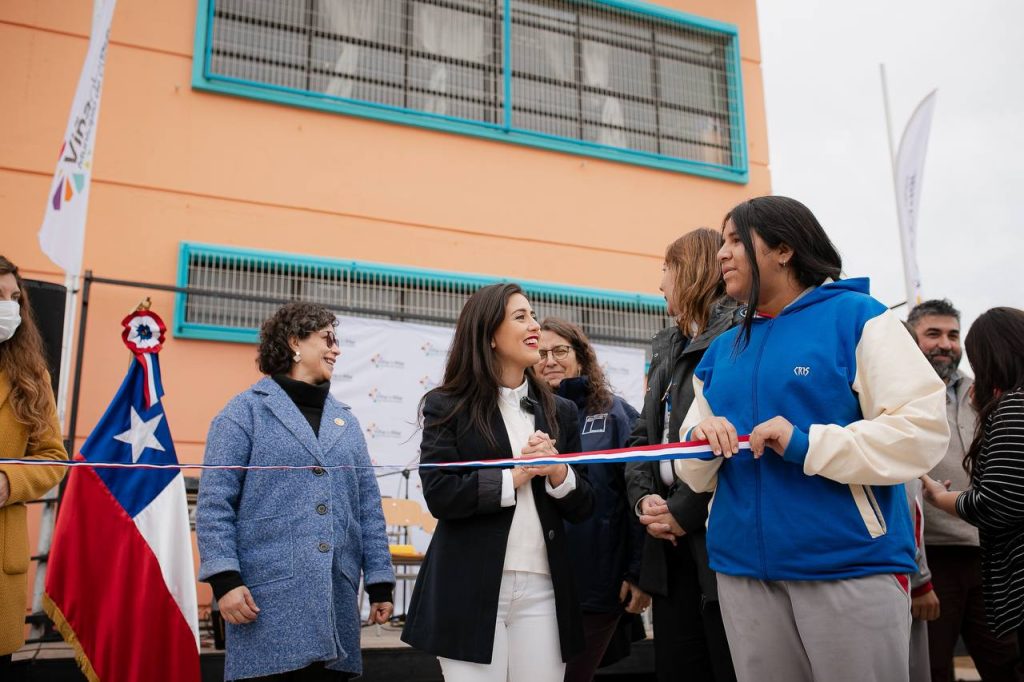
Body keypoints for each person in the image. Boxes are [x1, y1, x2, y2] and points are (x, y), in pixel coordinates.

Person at [675, 196, 949, 682]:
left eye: (737, 240)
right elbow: (690, 469)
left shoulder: (858, 318)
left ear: (784, 249)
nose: (722, 254)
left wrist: (807, 444)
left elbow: (921, 431)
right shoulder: (720, 350)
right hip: (740, 574)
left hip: (848, 566)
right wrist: (699, 439)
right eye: (722, 242)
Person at [401, 283, 595, 682]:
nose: (535, 326)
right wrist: (515, 476)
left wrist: (558, 472)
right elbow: (440, 493)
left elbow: (585, 505)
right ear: (490, 334)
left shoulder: (562, 412)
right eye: (520, 317)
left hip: (545, 589)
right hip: (468, 589)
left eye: (533, 315)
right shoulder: (447, 404)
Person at [197, 302, 395, 681]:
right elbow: (215, 505)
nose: (336, 349)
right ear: (294, 343)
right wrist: (225, 580)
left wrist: (380, 582)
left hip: (336, 603)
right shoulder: (243, 413)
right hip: (265, 604)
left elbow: (368, 506)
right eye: (327, 339)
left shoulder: (346, 421)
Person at [623, 228, 739, 682]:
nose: (659, 284)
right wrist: (644, 501)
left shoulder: (738, 332)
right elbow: (641, 438)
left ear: (689, 270)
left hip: (715, 536)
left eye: (666, 270)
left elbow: (734, 443)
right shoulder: (666, 345)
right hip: (666, 545)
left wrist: (682, 512)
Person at [909, 299, 1020, 682]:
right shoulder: (903, 394)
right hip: (932, 555)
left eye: (953, 335)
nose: (946, 344)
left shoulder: (989, 393)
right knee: (934, 665)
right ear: (912, 339)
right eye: (933, 334)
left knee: (1005, 661)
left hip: (991, 551)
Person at [534, 317, 648, 682]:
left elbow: (637, 495)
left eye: (560, 351)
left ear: (581, 357)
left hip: (596, 580)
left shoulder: (615, 415)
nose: (549, 360)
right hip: (536, 582)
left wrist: (637, 571)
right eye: (540, 352)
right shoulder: (524, 414)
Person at [0, 256, 68, 675]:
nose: (9, 307)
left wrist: (8, 482)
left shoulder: (30, 373)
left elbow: (52, 457)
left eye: (13, 298)